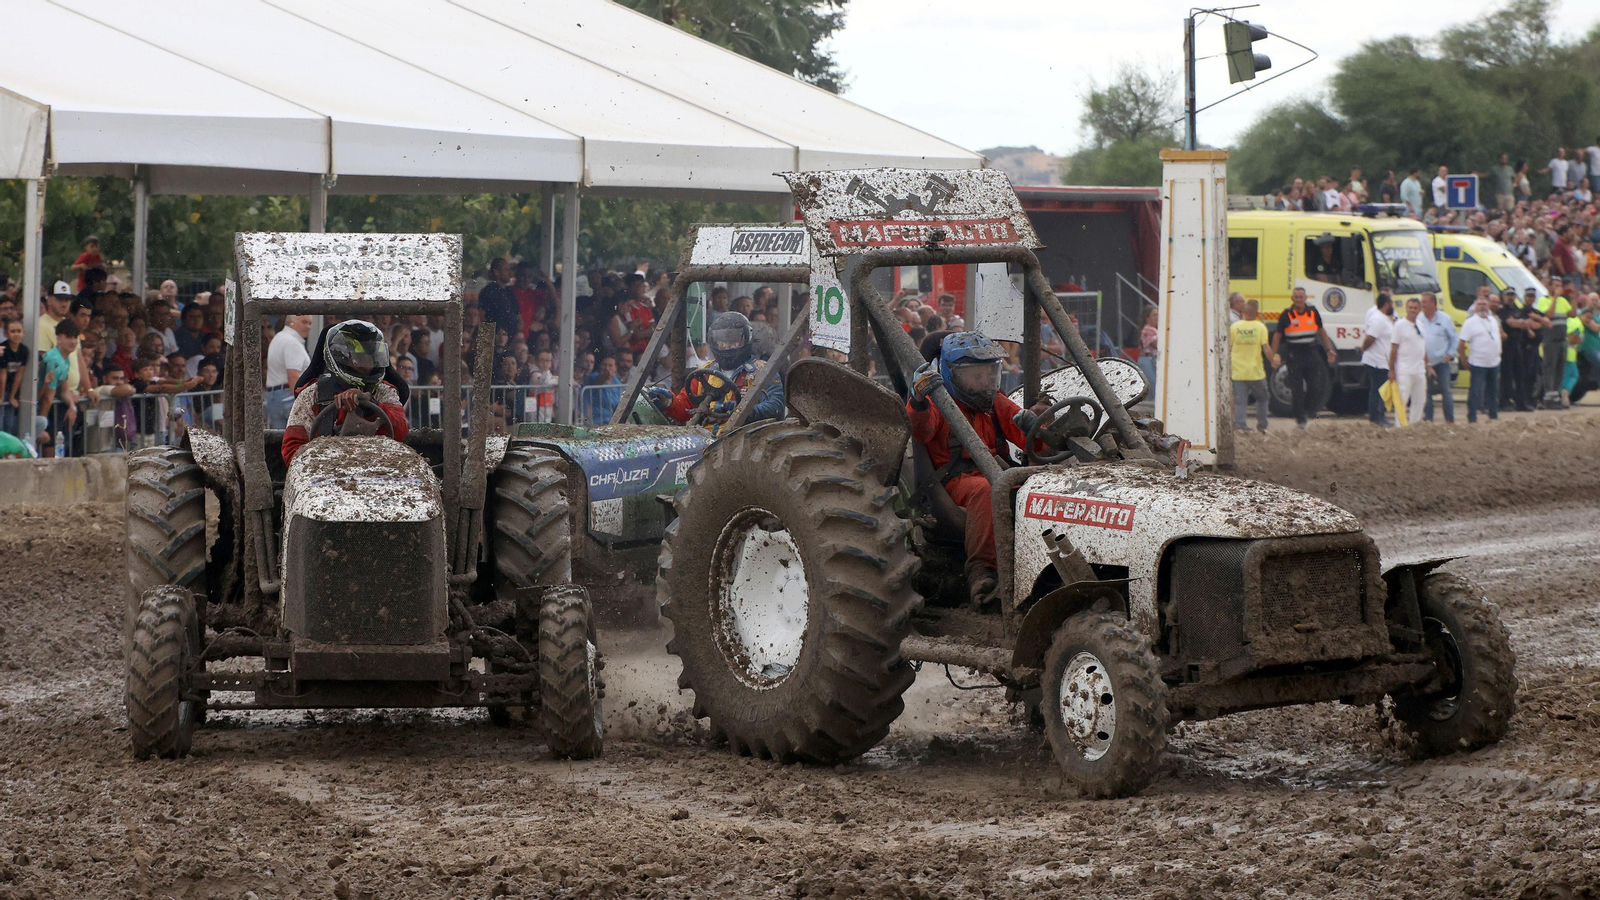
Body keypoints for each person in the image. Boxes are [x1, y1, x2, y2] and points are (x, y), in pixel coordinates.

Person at [905, 333, 1040, 605]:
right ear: (952, 374)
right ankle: (982, 572)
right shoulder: (936, 401)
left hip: (994, 473)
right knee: (989, 490)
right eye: (975, 376)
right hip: (954, 482)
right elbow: (921, 431)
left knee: (1036, 488)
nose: (985, 383)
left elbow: (1030, 439)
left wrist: (1038, 429)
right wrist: (918, 401)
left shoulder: (994, 401)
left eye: (990, 374)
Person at [281, 321, 409, 465]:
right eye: (359, 358)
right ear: (340, 356)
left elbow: (401, 430)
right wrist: (323, 462)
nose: (367, 365)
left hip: (378, 468)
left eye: (372, 358)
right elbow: (292, 449)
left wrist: (371, 406)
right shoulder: (312, 394)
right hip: (325, 472)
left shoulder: (384, 391)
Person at [648, 312, 784, 433]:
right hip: (705, 440)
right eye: (722, 341)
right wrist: (669, 401)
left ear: (745, 339)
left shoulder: (763, 371)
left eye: (734, 341)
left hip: (743, 440)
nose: (727, 346)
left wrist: (742, 411)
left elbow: (775, 407)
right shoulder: (703, 373)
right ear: (715, 342)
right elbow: (685, 408)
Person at [1269, 287, 1338, 429]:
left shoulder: (1313, 312)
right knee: (1297, 389)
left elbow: (1321, 331)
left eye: (1301, 297)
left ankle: (1307, 410)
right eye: (1296, 297)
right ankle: (1300, 418)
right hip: (1294, 353)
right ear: (1292, 299)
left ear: (1305, 298)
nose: (1298, 300)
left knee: (1315, 386)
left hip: (1311, 352)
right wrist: (1273, 355)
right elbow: (1277, 336)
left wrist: (1329, 349)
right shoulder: (1286, 315)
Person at [1230, 300, 1278, 433]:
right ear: (1257, 313)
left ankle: (1240, 425)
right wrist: (1272, 360)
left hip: (1238, 371)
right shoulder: (1260, 327)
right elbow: (1266, 348)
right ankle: (1262, 425)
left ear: (1244, 311)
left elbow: (1229, 346)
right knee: (1262, 398)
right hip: (1255, 371)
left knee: (1240, 400)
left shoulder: (1235, 327)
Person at [1458, 295, 1503, 423]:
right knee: (1475, 390)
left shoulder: (1493, 320)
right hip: (1478, 362)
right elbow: (1461, 343)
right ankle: (1472, 416)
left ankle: (1493, 415)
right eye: (1480, 304)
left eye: (1484, 304)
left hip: (1493, 362)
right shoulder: (1470, 322)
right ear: (1475, 306)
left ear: (1488, 306)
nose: (1482, 307)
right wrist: (1464, 360)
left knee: (1493, 391)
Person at [264, 314, 312, 429]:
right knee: (300, 436)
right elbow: (293, 375)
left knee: (279, 438)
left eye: (310, 323)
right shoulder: (292, 342)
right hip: (288, 397)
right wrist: (301, 401)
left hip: (274, 396)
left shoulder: (278, 337)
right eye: (304, 322)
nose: (308, 327)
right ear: (291, 322)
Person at [1418, 292, 1458, 423]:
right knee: (1426, 392)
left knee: (1446, 391)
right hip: (1424, 362)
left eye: (1425, 302)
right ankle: (1428, 419)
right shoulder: (1419, 319)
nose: (1422, 305)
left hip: (1442, 362)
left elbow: (1454, 338)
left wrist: (1450, 355)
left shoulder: (1445, 319)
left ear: (1433, 303)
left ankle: (1449, 420)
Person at [1389, 297, 1428, 426]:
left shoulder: (1421, 325)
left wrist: (1427, 364)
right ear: (1406, 309)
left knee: (1420, 399)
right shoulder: (1399, 325)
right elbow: (1393, 348)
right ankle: (1400, 426)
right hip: (1404, 368)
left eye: (1415, 308)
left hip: (1419, 368)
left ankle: (1414, 425)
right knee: (1402, 399)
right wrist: (1392, 369)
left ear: (1419, 309)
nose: (1413, 310)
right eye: (1410, 308)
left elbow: (1422, 346)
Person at [1533, 287, 1575, 407]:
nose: (1559, 289)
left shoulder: (1563, 301)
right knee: (1550, 368)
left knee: (1559, 368)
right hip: (1550, 340)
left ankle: (1555, 396)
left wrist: (1574, 298)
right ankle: (1548, 397)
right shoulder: (1544, 300)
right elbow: (1549, 315)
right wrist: (1555, 298)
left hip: (1562, 339)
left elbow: (1573, 314)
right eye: (1556, 285)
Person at [1361, 293, 1395, 425]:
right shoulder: (1378, 319)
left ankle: (1379, 416)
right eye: (1391, 303)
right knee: (1378, 390)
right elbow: (1370, 337)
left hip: (1383, 361)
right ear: (1387, 304)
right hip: (1376, 361)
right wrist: (1363, 348)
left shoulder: (1383, 318)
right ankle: (1376, 417)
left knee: (1380, 390)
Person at [476, 258, 520, 338]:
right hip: (493, 337)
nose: (510, 273)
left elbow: (519, 317)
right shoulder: (488, 292)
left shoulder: (510, 292)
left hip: (510, 337)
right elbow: (481, 316)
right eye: (506, 270)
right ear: (496, 272)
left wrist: (516, 333)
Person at [1, 318, 28, 435]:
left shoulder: (24, 350)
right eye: (12, 331)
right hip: (1, 388)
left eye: (19, 331)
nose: (16, 334)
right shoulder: (3, 350)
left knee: (9, 423)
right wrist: (1, 397)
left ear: (23, 332)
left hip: (10, 389)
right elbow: (2, 375)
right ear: (6, 333)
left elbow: (19, 375)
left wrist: (12, 396)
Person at [582, 355, 623, 424]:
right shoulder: (593, 376)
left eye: (610, 365)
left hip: (611, 422)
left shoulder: (616, 381)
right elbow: (599, 380)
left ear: (615, 367)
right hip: (595, 421)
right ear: (600, 366)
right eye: (604, 365)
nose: (606, 368)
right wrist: (606, 376)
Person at [1137, 306, 1158, 393]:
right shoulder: (1149, 329)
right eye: (1154, 315)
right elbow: (1156, 345)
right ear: (1147, 317)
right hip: (1148, 360)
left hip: (1151, 359)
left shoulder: (1154, 329)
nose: (1157, 317)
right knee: (1153, 386)